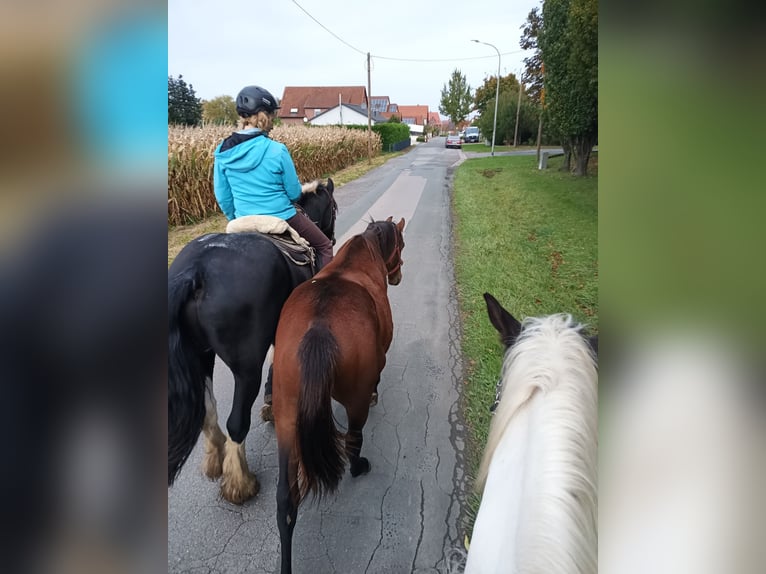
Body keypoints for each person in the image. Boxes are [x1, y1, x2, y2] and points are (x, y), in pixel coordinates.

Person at [213, 85, 334, 268]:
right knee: (324, 245)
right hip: (282, 216)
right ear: (264, 116)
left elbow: (223, 196)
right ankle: (323, 293)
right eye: (272, 116)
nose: (272, 122)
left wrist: (236, 217)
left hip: (242, 218)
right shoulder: (277, 150)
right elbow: (294, 193)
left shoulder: (222, 151)